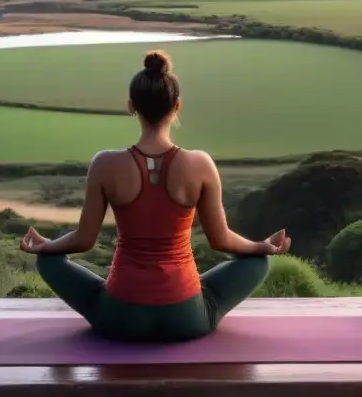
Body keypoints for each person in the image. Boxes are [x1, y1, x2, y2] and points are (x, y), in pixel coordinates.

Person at [19, 49, 290, 342]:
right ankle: (193, 300)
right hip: (187, 318)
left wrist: (46, 247)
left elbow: (84, 240)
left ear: (130, 106)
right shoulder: (200, 164)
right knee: (258, 260)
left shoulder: (105, 164)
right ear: (177, 106)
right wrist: (262, 246)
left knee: (48, 260)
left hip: (119, 317)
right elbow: (220, 240)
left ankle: (109, 303)